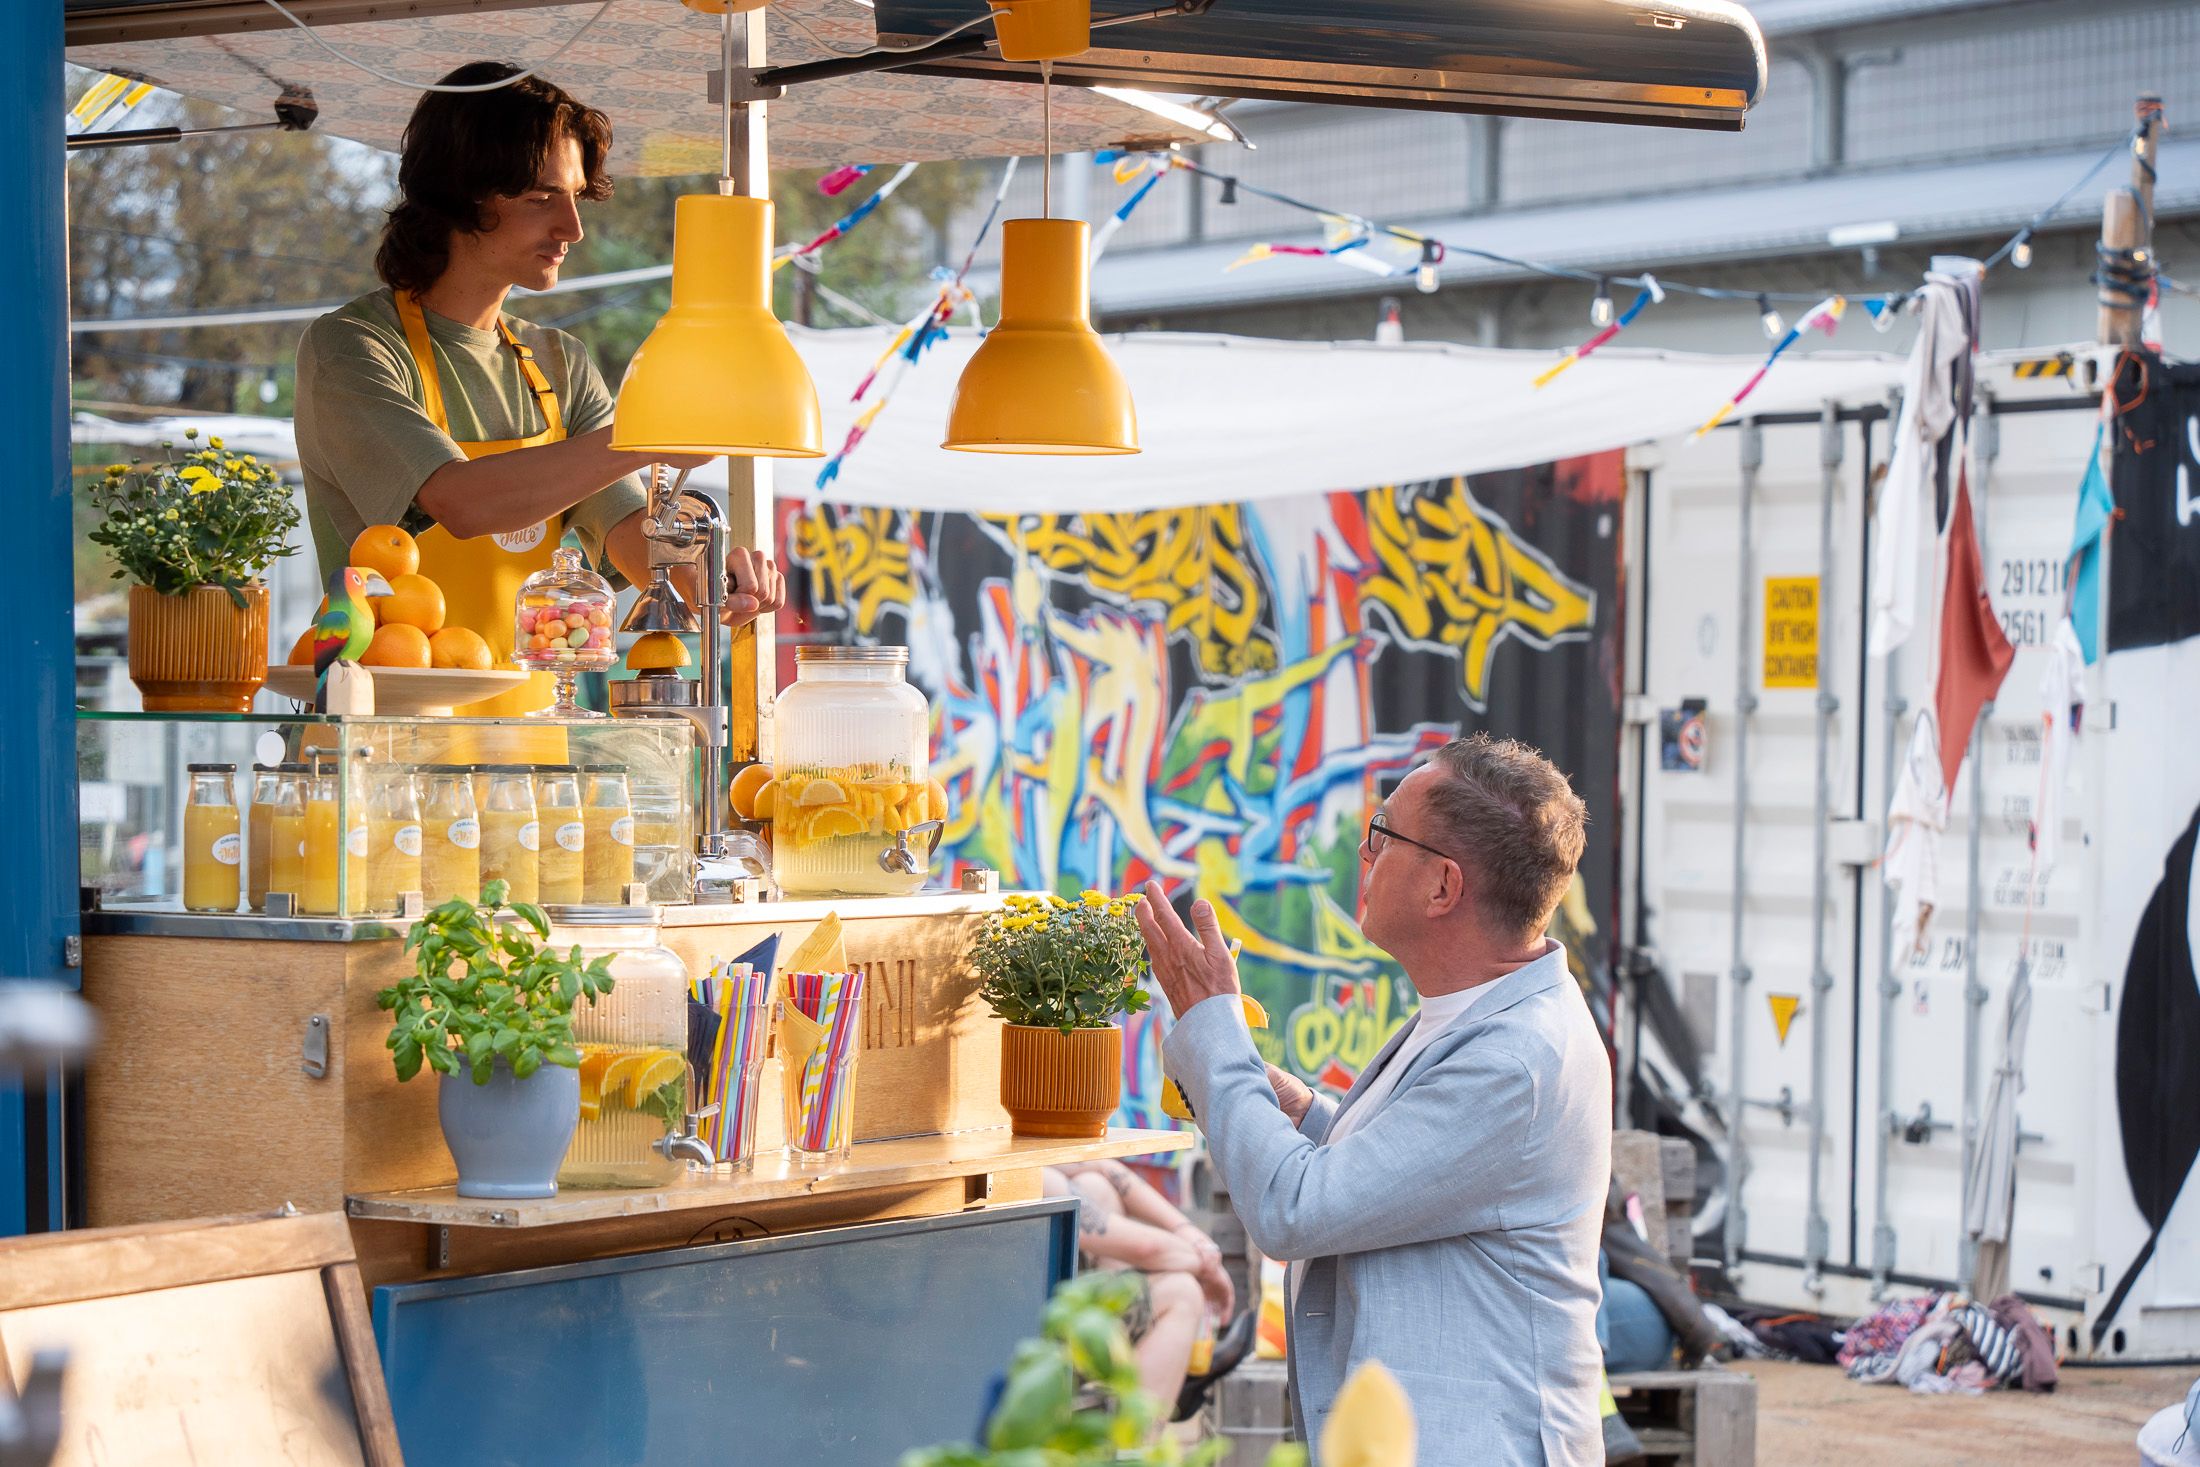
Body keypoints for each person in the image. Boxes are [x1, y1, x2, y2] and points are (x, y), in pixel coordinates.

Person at [1135, 733, 1610, 1467]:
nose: (1363, 853)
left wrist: (1215, 1035)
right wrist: (1306, 1116)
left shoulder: (1517, 1059)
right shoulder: (1483, 1009)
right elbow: (1432, 1181)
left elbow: (1295, 1211)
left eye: (1382, 834)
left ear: (1442, 886)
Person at [294, 61, 782, 715]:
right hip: (377, 758)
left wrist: (716, 580)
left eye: (576, 195)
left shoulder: (559, 361)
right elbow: (462, 503)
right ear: (464, 193)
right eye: (542, 197)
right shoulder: (352, 348)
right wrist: (651, 432)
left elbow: (634, 541)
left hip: (525, 771)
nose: (573, 228)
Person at [1040, 1161, 1255, 1418]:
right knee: (1181, 1293)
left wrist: (1186, 1231)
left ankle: (1156, 1369)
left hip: (1035, 1306)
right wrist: (1209, 1265)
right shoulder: (1027, 1173)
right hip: (1030, 1338)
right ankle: (1138, 1443)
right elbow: (1147, 1248)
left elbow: (1100, 1164)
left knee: (1096, 1187)